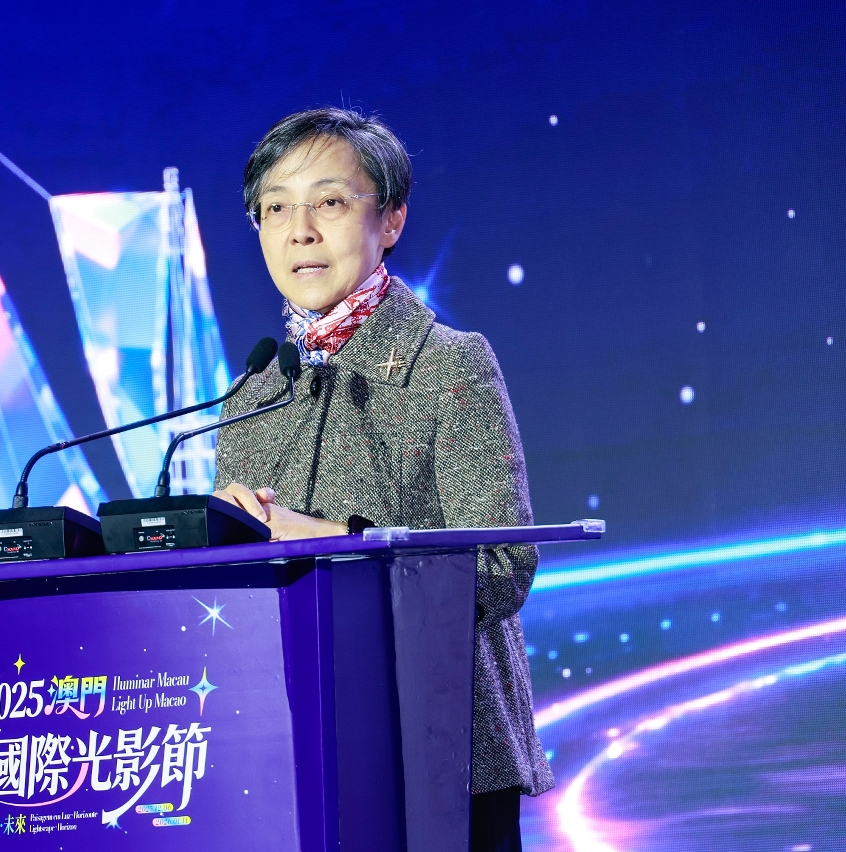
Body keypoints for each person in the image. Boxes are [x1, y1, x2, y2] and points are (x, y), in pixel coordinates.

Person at [212, 107, 551, 852]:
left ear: (391, 219)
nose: (300, 231)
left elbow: (503, 567)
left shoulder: (448, 363)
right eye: (275, 208)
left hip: (441, 754)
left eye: (330, 202)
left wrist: (337, 539)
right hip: (289, 757)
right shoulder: (249, 396)